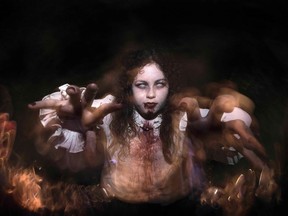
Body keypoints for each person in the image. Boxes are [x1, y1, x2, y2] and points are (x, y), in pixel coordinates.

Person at [2, 48, 278, 215]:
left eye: (159, 84)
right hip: (115, 207)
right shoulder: (108, 114)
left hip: (184, 207)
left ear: (169, 88)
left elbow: (219, 120)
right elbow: (62, 138)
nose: (150, 94)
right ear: (129, 89)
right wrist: (69, 121)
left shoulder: (183, 116)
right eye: (141, 85)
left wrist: (225, 118)